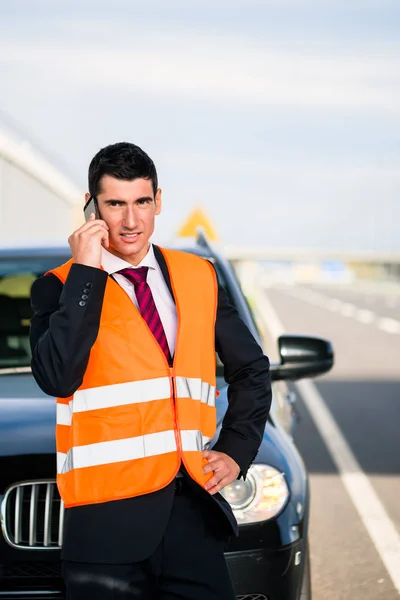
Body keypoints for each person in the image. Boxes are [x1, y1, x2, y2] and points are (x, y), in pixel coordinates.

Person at [30, 142, 272, 600]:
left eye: (142, 202)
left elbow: (253, 369)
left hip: (192, 520)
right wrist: (87, 272)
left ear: (158, 201)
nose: (131, 221)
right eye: (115, 204)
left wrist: (237, 450)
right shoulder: (60, 286)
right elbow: (56, 377)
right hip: (104, 529)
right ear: (91, 207)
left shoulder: (198, 275)